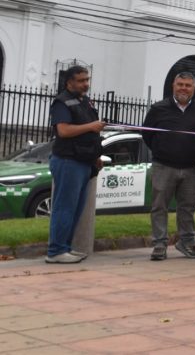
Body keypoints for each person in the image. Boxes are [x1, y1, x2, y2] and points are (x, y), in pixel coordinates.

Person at [142, 72, 195, 261]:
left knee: (188, 208)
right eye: (180, 84)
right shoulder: (158, 108)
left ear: (194, 88)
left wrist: (194, 150)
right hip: (163, 166)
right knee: (159, 206)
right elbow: (147, 134)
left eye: (188, 85)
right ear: (173, 85)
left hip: (191, 168)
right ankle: (159, 244)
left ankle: (186, 242)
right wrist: (162, 149)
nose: (183, 88)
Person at [45, 66, 105, 264]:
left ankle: (66, 248)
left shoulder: (85, 101)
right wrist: (91, 126)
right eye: (81, 80)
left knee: (76, 208)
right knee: (65, 208)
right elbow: (63, 131)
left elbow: (90, 134)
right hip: (68, 161)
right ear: (69, 82)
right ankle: (56, 251)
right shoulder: (62, 102)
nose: (85, 84)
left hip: (84, 161)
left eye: (87, 79)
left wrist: (96, 157)